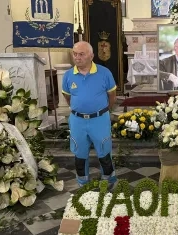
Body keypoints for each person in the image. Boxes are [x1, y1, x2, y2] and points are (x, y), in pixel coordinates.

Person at [62, 41, 117, 191]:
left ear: (91, 56)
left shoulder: (104, 73)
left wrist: (105, 110)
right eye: (75, 54)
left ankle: (108, 178)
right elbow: (67, 96)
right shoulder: (68, 75)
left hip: (99, 119)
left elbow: (112, 95)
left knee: (104, 150)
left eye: (81, 54)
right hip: (78, 121)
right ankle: (82, 181)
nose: (77, 57)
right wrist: (79, 108)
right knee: (79, 152)